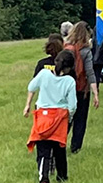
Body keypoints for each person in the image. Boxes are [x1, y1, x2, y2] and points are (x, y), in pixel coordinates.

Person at [24, 50, 78, 183]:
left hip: (43, 116)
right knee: (59, 149)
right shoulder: (69, 81)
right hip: (60, 119)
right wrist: (69, 118)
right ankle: (62, 176)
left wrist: (28, 105)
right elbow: (73, 105)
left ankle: (44, 176)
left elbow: (31, 87)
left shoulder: (43, 74)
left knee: (43, 149)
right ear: (69, 67)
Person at [63, 21, 100, 154]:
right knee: (80, 119)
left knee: (66, 117)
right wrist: (95, 93)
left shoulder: (66, 47)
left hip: (66, 89)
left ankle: (60, 141)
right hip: (81, 89)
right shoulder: (85, 50)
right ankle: (75, 148)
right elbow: (90, 72)